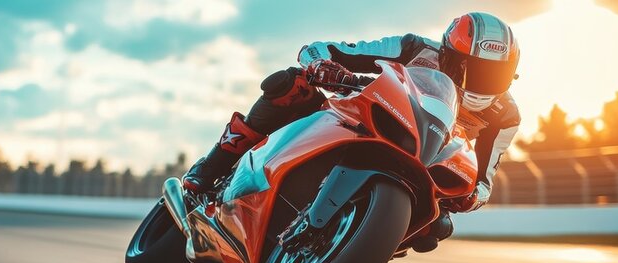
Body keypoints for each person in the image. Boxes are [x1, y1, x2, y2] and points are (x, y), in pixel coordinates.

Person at [183, 12, 521, 250]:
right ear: (448, 55)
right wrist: (321, 64)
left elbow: (486, 178)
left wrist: (472, 198)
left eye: (493, 75)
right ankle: (211, 165)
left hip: (428, 165)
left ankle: (354, 244)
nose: (480, 83)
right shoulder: (413, 48)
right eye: (471, 70)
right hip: (368, 117)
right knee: (290, 84)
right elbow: (328, 49)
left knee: (437, 227)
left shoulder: (505, 116)